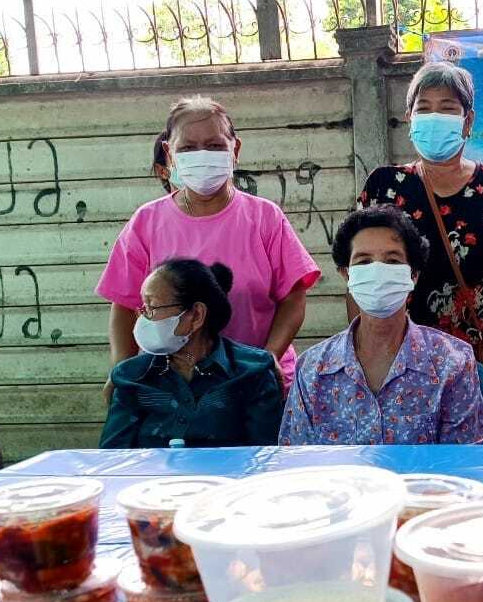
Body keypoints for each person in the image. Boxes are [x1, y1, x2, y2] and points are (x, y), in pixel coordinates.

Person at [357, 61, 483, 438]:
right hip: (411, 362)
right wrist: (368, 353)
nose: (434, 117)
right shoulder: (384, 186)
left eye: (447, 108)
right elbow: (362, 268)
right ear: (409, 118)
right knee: (420, 456)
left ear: (467, 120)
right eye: (424, 108)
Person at [97, 96, 320, 403]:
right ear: (169, 153)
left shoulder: (265, 218)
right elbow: (124, 305)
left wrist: (268, 359)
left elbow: (294, 297)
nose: (202, 155)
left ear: (235, 150)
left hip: (256, 388)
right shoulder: (146, 222)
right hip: (173, 391)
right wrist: (122, 372)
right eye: (188, 148)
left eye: (214, 145)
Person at [280, 206, 483, 445]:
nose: (377, 271)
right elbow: (297, 459)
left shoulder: (453, 362)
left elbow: (463, 461)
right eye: (364, 261)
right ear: (346, 274)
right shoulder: (312, 369)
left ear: (413, 275)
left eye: (392, 261)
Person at [101, 259, 283, 448]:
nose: (143, 319)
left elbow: (264, 456)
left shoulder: (252, 373)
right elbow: (114, 458)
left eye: (152, 307)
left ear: (196, 315)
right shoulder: (132, 377)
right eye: (143, 308)